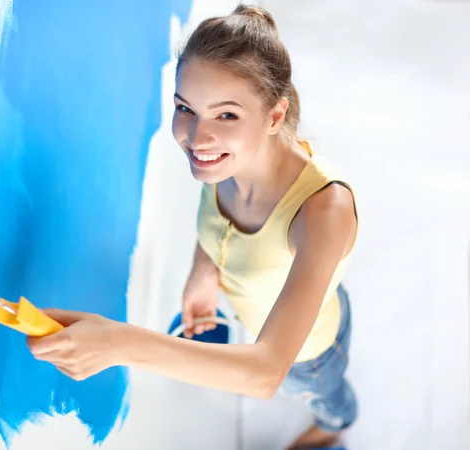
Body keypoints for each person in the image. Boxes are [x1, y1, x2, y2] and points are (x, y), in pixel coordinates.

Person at [27, 5, 359, 449]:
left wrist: (119, 345)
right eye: (186, 108)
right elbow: (218, 213)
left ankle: (335, 428)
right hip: (261, 318)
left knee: (327, 400)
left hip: (309, 354)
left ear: (275, 118)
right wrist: (205, 270)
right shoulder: (228, 161)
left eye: (226, 115)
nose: (197, 138)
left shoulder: (325, 212)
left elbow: (264, 374)